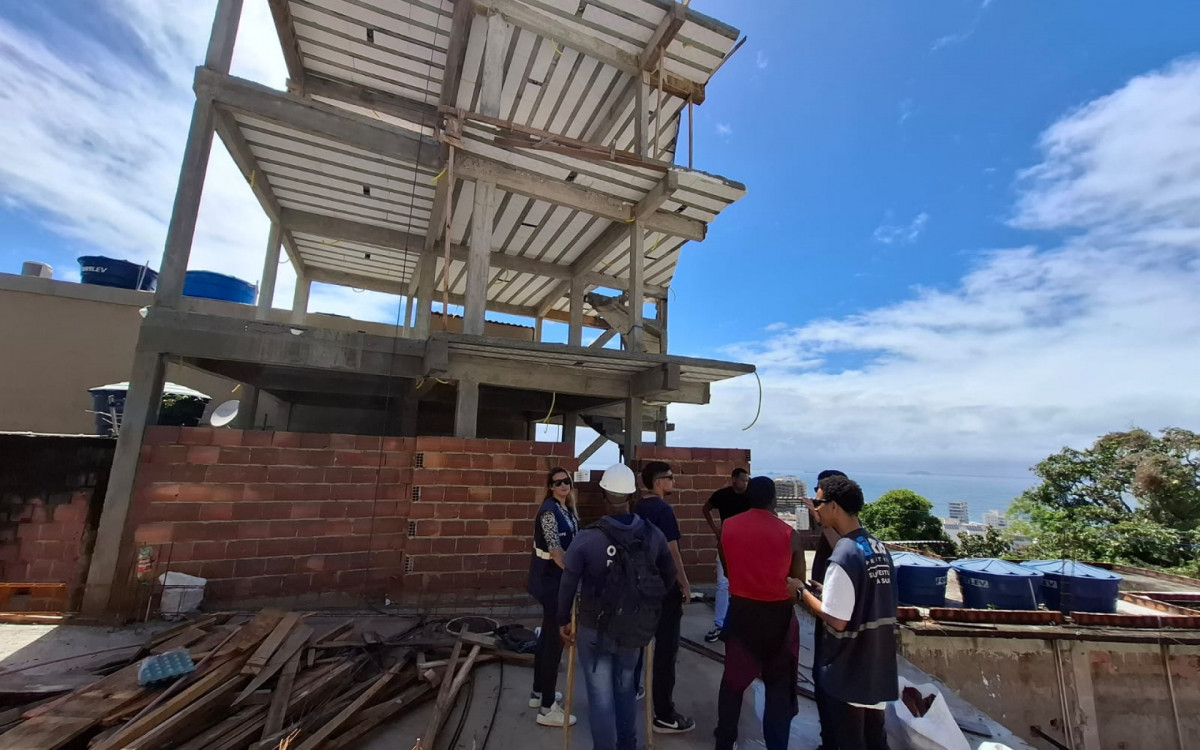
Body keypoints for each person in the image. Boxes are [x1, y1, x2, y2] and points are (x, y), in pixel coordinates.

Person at [558, 464, 676, 750]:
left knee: (600, 699)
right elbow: (669, 574)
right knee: (625, 690)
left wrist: (563, 620)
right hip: (633, 629)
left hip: (594, 629)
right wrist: (649, 606)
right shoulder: (652, 534)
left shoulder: (587, 538)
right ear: (633, 497)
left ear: (603, 497)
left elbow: (568, 583)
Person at [791, 475, 898, 750]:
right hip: (877, 662)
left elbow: (837, 620)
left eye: (818, 503)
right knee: (875, 738)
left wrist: (801, 593)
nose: (816, 509)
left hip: (850, 667)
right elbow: (868, 595)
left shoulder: (845, 553)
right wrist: (828, 591)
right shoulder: (876, 546)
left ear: (834, 506)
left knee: (850, 741)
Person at [714, 476, 807, 750]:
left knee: (732, 684)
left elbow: (728, 570)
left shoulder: (728, 528)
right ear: (774, 500)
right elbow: (798, 585)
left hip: (741, 614)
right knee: (779, 690)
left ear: (747, 497)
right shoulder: (790, 535)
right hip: (779, 619)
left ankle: (724, 742)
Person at [632, 461, 695, 734]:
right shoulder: (664, 510)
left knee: (636, 642)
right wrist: (684, 582)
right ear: (658, 482)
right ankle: (664, 715)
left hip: (640, 587)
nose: (673, 482)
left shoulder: (636, 508)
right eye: (670, 478)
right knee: (665, 651)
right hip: (664, 588)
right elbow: (672, 551)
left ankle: (632, 689)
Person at [526, 467, 579, 727]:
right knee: (553, 643)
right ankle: (547, 708)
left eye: (566, 481)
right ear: (550, 487)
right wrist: (577, 573)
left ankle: (539, 692)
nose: (563, 485)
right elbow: (557, 552)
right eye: (557, 483)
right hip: (552, 583)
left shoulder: (564, 509)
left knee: (547, 637)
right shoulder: (549, 512)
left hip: (552, 582)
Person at [803, 469, 848, 750]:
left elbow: (842, 548)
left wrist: (803, 594)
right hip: (827, 601)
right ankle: (829, 738)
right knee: (822, 678)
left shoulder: (844, 530)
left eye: (819, 497)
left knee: (828, 679)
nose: (815, 501)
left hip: (834, 612)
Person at [702, 468, 751, 642]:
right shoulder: (722, 495)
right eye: (743, 480)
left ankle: (741, 624)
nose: (745, 483)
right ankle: (720, 624)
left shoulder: (750, 497)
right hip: (726, 543)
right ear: (734, 479)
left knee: (744, 583)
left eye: (747, 480)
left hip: (745, 545)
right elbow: (706, 509)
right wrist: (715, 529)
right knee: (723, 584)